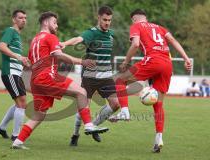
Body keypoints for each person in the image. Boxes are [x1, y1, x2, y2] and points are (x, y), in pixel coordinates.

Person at [11, 11, 109, 149]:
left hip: (36, 81)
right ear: (46, 22)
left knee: (39, 114)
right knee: (81, 92)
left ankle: (18, 141)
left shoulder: (35, 40)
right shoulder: (50, 37)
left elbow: (30, 63)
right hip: (47, 77)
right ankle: (88, 125)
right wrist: (82, 61)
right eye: (54, 22)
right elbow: (58, 55)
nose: (57, 26)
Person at [111, 9, 192, 153]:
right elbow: (173, 40)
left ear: (134, 19)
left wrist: (125, 61)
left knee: (119, 80)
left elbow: (135, 45)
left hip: (153, 60)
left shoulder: (136, 26)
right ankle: (159, 138)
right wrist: (186, 58)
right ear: (146, 18)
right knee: (158, 103)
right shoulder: (159, 27)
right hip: (167, 64)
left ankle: (124, 111)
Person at [61, 6, 129, 146]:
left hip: (106, 76)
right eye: (104, 20)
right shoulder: (91, 33)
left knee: (115, 104)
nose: (107, 23)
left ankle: (95, 126)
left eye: (109, 20)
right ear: (98, 18)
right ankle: (75, 134)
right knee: (84, 107)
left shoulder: (110, 34)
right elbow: (78, 39)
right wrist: (64, 43)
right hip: (90, 76)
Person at [0, 9, 29, 141]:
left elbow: (14, 55)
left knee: (19, 102)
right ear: (14, 19)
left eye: (25, 18)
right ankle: (16, 136)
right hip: (10, 72)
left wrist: (23, 61)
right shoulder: (10, 31)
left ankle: (1, 128)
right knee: (22, 102)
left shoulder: (18, 36)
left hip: (16, 72)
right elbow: (2, 47)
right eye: (20, 18)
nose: (24, 20)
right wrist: (18, 57)